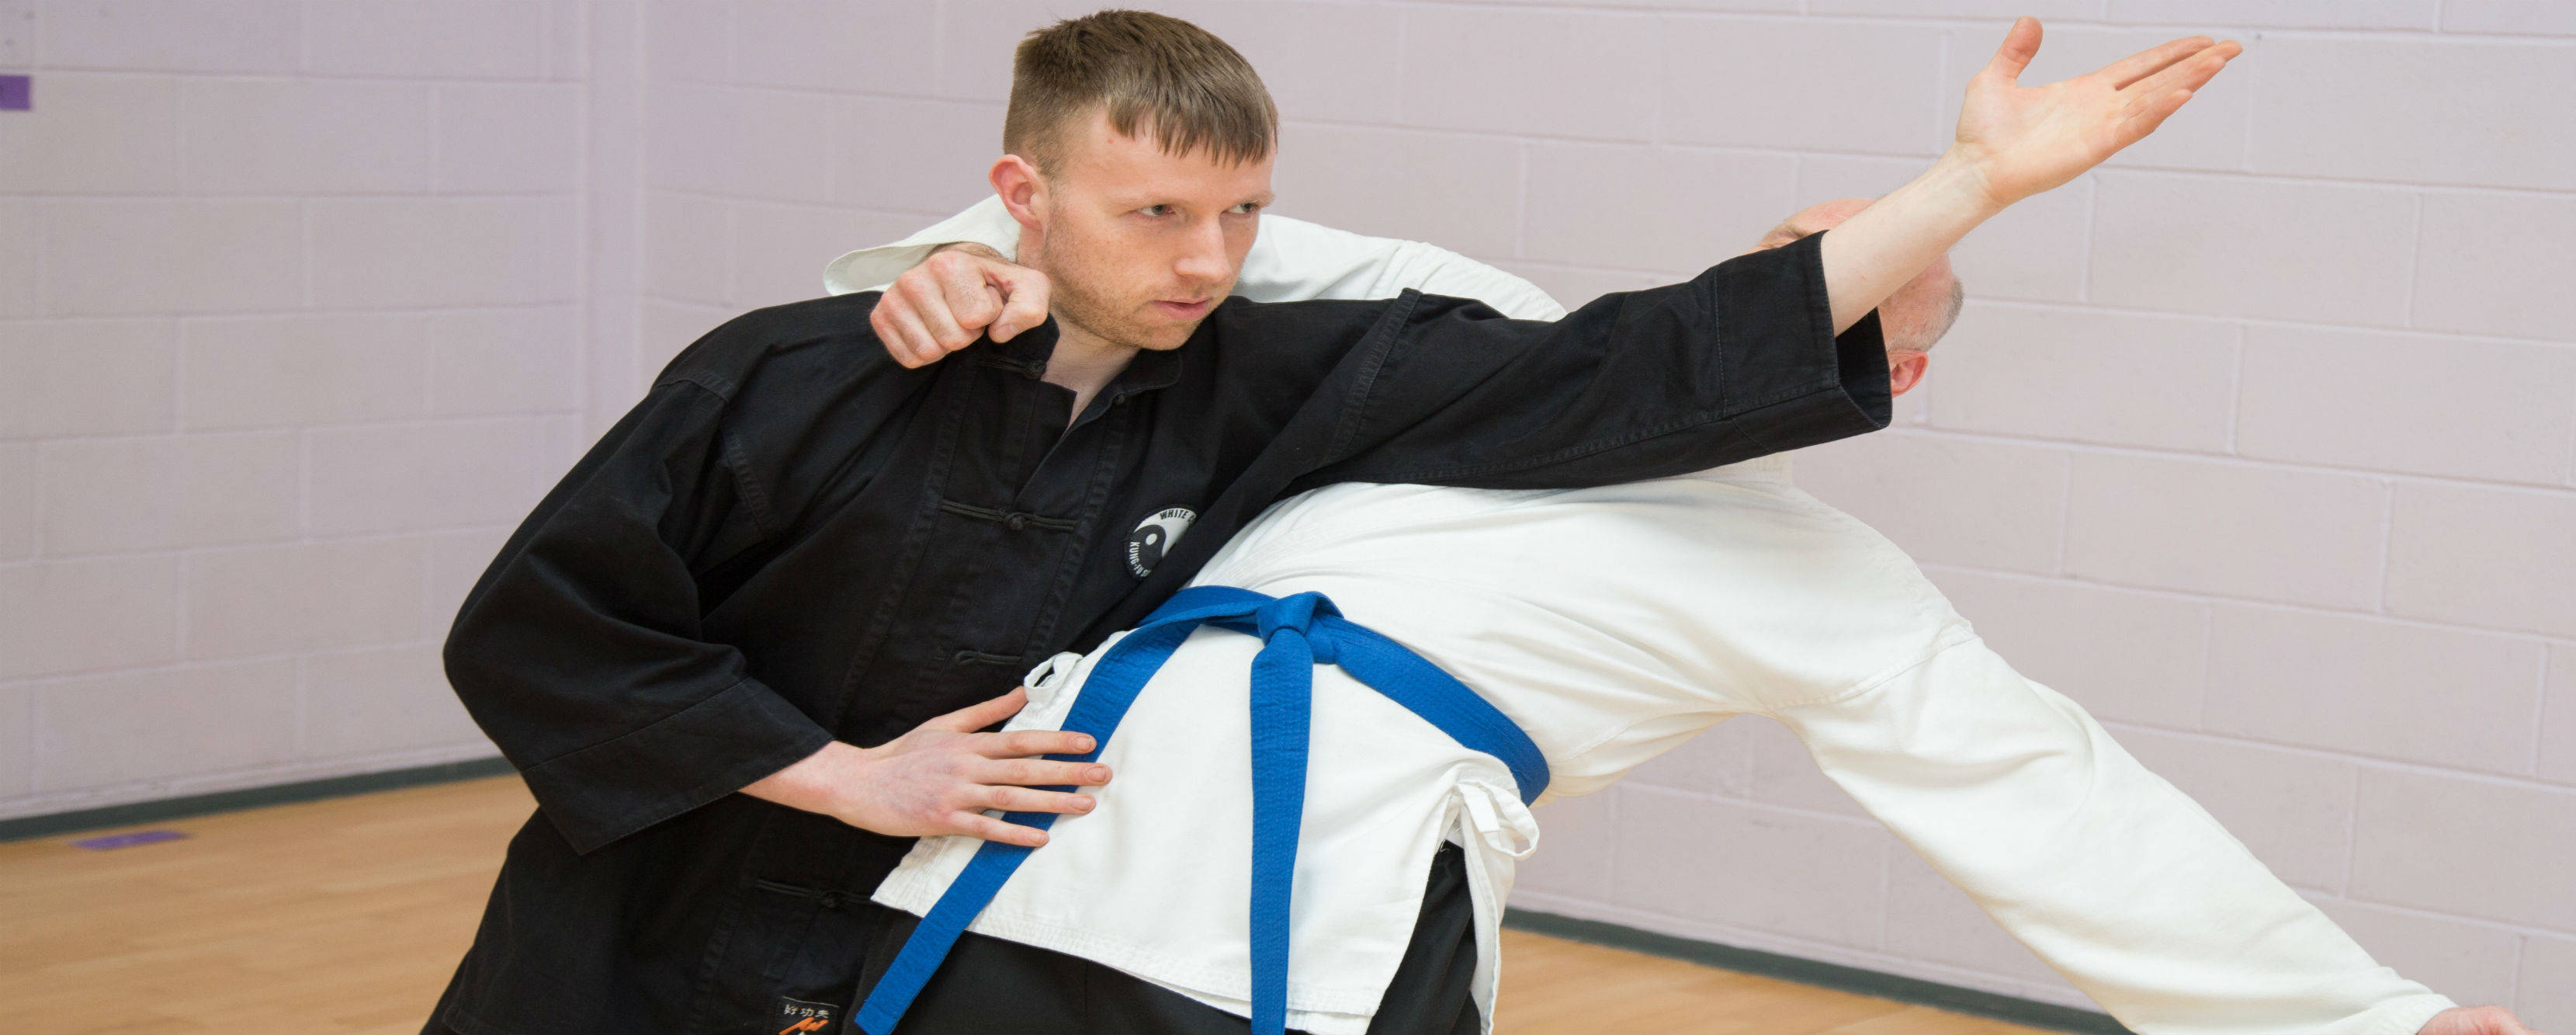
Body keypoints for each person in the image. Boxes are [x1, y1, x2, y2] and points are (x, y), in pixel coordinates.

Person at [429, 9, 2227, 1035]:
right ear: (1017, 195)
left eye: (1240, 213)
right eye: (1153, 214)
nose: (1205, 261)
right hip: (627, 939)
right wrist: (845, 771)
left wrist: (1972, 185)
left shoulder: (1276, 379)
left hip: (920, 945)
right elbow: (539, 628)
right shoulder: (791, 372)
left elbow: (1629, 363)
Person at [834, 207, 2546, 1035]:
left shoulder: (1815, 577)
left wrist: (2364, 1018)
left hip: (1335, 905)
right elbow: (1138, 216)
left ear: (1897, 372)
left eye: (1881, 318)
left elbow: (2048, 798)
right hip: (1054, 817)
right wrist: (965, 259)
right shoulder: (1472, 329)